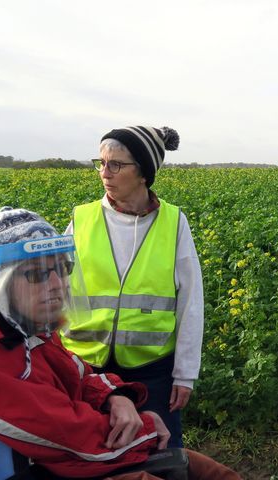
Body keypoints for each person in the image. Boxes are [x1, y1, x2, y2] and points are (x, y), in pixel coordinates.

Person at [0, 207, 239, 479]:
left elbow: (78, 374)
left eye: (63, 269)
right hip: (51, 466)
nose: (57, 284)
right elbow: (69, 436)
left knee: (203, 469)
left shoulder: (21, 324)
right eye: (37, 274)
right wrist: (146, 430)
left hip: (76, 460)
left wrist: (115, 397)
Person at [61, 126, 204, 449]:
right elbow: (54, 291)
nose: (104, 173)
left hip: (151, 370)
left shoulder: (173, 222)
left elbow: (191, 301)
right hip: (86, 366)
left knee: (161, 455)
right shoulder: (81, 220)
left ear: (143, 173)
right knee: (92, 454)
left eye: (115, 164)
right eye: (100, 163)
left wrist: (185, 373)